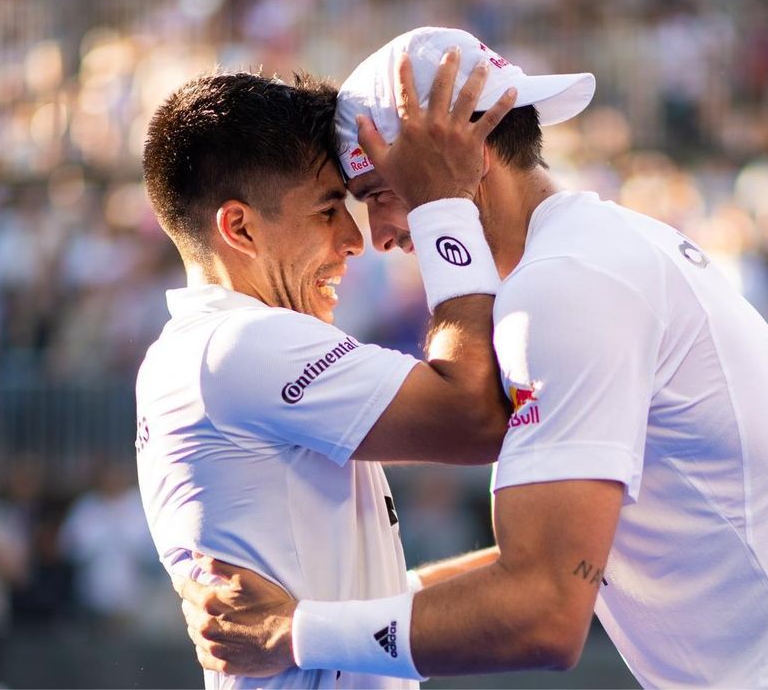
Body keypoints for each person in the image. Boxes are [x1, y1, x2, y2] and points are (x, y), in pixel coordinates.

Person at [175, 28, 768, 688]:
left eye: (380, 191)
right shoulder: (595, 252)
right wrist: (369, 598)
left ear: (461, 159)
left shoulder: (563, 289)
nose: (374, 236)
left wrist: (296, 632)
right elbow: (566, 548)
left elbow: (544, 609)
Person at [136, 64, 519, 689]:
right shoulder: (241, 343)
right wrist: (444, 207)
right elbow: (474, 415)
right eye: (328, 209)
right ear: (239, 228)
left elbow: (351, 600)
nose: (353, 240)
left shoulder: (197, 353)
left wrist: (556, 559)